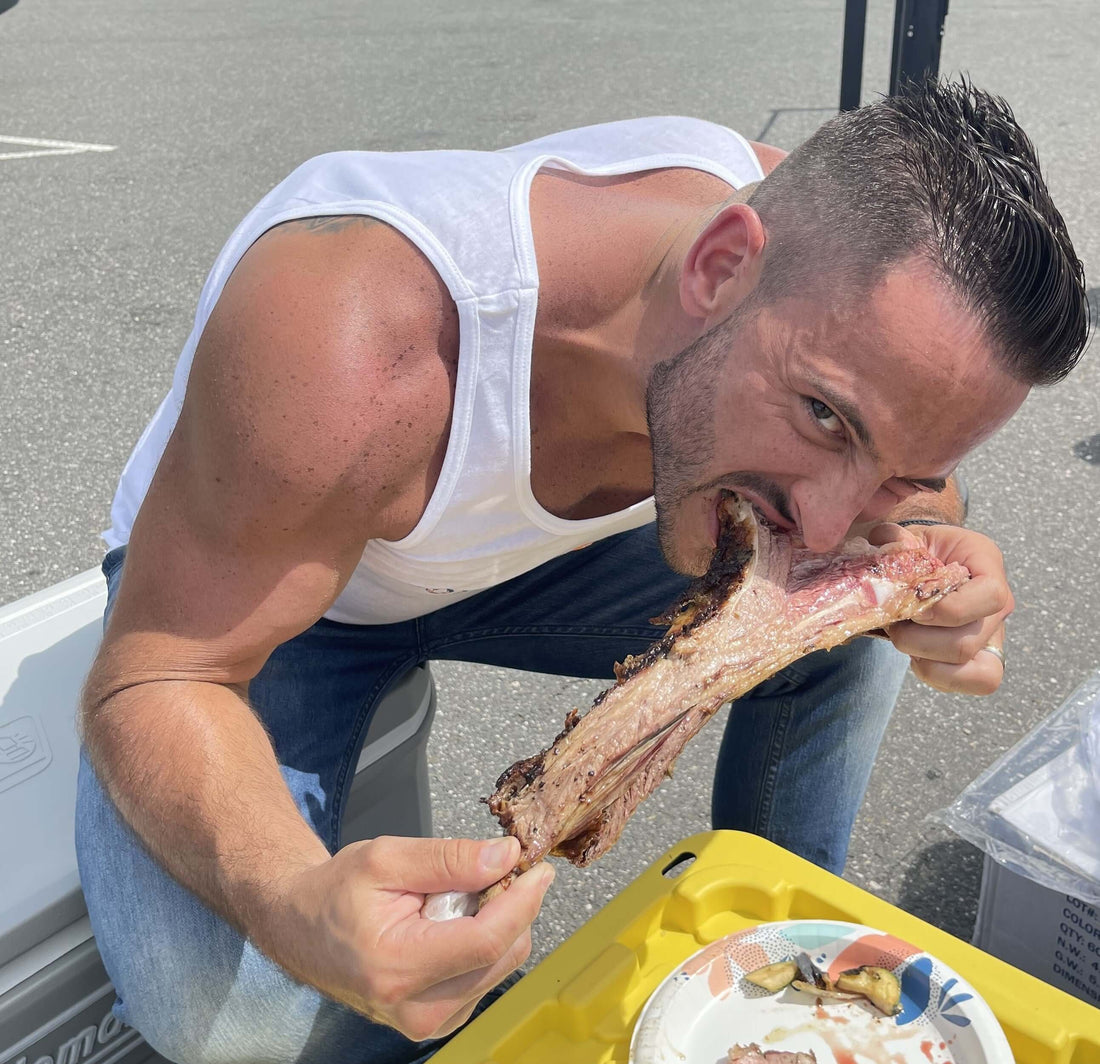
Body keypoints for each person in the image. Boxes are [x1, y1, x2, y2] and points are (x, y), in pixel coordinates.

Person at [76, 78, 1089, 1064]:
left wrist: (938, 563)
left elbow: (912, 500)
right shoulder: (356, 336)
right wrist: (296, 904)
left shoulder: (822, 277)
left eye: (895, 465)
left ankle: (769, 969)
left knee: (843, 616)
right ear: (717, 267)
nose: (829, 516)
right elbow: (159, 672)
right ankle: (458, 1020)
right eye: (823, 417)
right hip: (287, 586)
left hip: (511, 568)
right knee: (227, 1016)